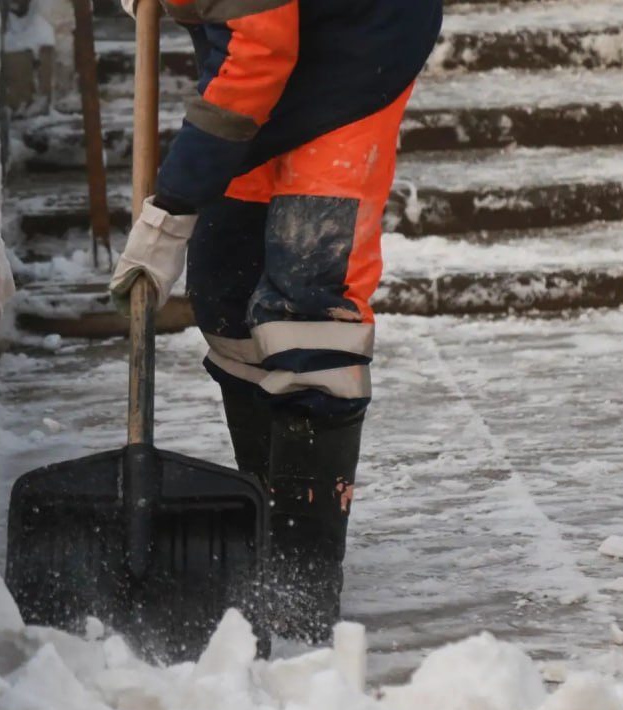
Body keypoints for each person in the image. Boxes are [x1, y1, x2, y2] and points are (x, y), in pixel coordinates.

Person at [109, 0, 444, 643]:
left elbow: (261, 49)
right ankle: (264, 526)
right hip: (274, 51)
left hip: (355, 52)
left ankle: (301, 580)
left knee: (308, 304)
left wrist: (173, 208)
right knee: (226, 294)